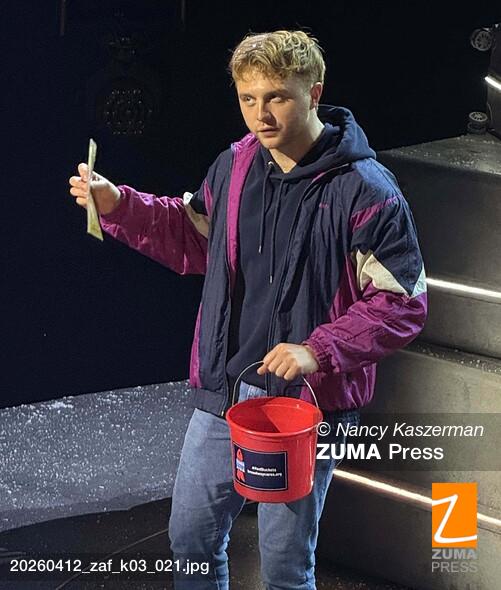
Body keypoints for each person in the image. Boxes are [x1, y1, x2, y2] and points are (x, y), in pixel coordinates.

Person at [69, 30, 427, 590]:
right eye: (248, 98)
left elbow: (401, 303)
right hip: (226, 387)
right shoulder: (234, 166)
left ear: (314, 93)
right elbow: (195, 238)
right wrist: (120, 206)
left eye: (277, 96)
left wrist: (317, 350)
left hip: (306, 406)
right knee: (190, 540)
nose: (261, 115)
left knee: (284, 563)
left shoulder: (366, 190)